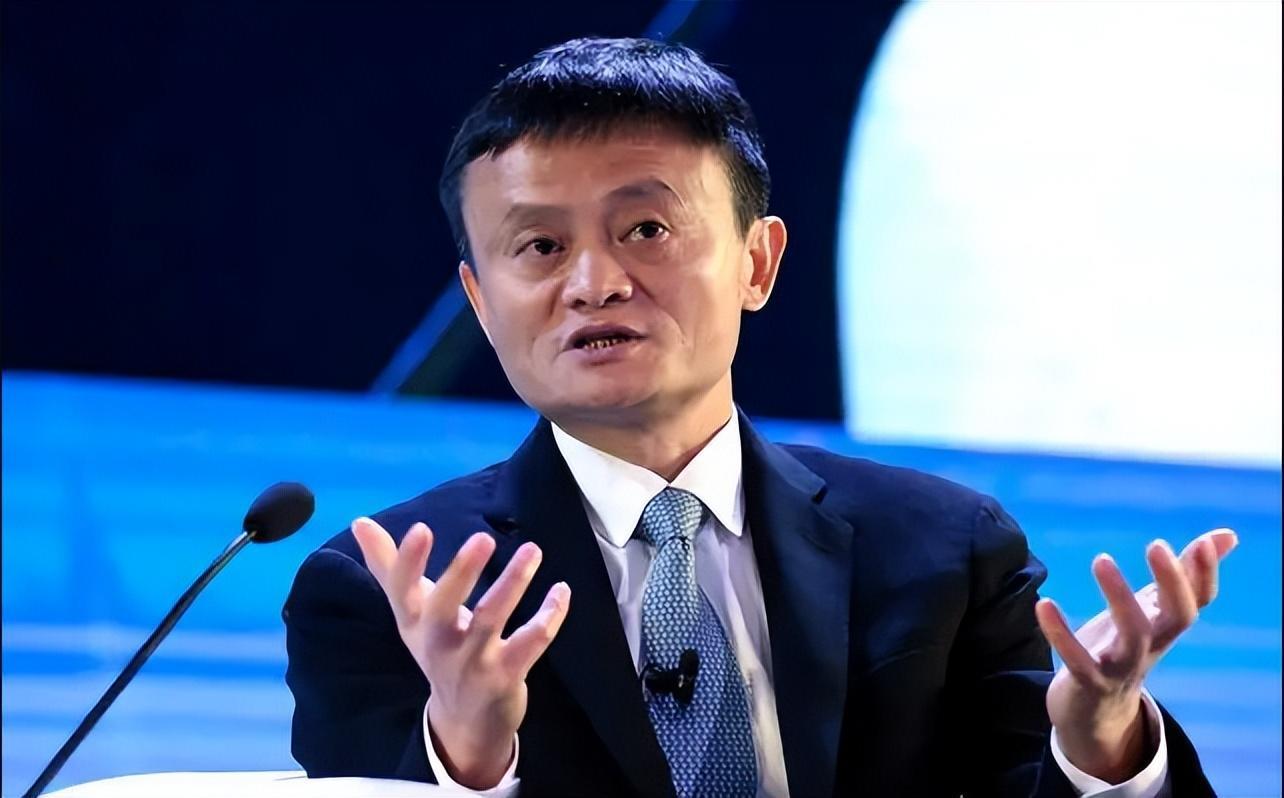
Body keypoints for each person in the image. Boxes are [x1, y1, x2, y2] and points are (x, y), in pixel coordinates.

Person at [283, 37, 1231, 797]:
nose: (594, 283)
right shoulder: (389, 592)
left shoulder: (945, 550)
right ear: (481, 302)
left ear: (758, 262)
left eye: (645, 229)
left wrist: (1103, 743)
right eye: (539, 246)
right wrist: (465, 754)